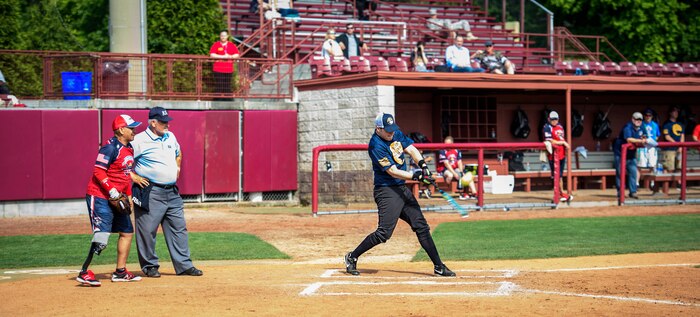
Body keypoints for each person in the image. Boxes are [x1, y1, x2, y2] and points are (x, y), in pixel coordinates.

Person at [344, 113, 456, 277]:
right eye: (387, 131)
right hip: (386, 190)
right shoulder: (375, 145)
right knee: (384, 233)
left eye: (392, 130)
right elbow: (393, 171)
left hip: (401, 189)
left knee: (421, 227)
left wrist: (423, 165)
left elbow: (411, 149)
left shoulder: (395, 133)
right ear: (378, 129)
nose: (391, 133)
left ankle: (439, 266)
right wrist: (416, 176)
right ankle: (352, 257)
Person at [131, 107, 203, 277]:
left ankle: (184, 265)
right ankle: (149, 265)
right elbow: (121, 161)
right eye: (163, 122)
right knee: (147, 230)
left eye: (167, 121)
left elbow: (179, 152)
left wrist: (177, 166)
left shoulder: (170, 136)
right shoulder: (139, 140)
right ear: (153, 122)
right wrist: (133, 177)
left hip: (171, 192)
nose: (167, 125)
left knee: (179, 228)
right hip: (150, 190)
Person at [76, 114, 143, 286]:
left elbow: (125, 174)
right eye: (131, 128)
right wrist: (112, 190)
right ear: (121, 130)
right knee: (102, 234)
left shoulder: (129, 148)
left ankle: (120, 272)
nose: (134, 130)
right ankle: (84, 272)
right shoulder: (109, 148)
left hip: (117, 197)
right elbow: (98, 172)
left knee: (127, 232)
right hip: (99, 195)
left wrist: (128, 197)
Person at [613, 112, 648, 199]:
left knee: (633, 172)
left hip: (631, 154)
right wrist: (641, 141)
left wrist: (644, 139)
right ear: (632, 119)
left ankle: (633, 192)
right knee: (620, 173)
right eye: (636, 119)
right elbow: (629, 139)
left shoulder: (642, 126)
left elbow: (645, 136)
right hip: (620, 153)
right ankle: (620, 192)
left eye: (640, 119)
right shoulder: (628, 127)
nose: (638, 121)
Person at [543, 111, 572, 202]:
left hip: (562, 154)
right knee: (557, 176)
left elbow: (561, 138)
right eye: (552, 119)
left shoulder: (560, 127)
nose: (554, 121)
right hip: (553, 155)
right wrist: (563, 143)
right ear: (549, 119)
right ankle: (560, 194)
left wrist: (565, 149)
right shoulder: (547, 127)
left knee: (560, 176)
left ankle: (561, 194)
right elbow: (550, 141)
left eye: (555, 119)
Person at [209, 31, 240, 101]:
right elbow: (212, 54)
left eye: (224, 35)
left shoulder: (231, 45)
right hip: (218, 69)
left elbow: (237, 55)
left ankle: (228, 99)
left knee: (227, 85)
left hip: (228, 69)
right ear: (220, 36)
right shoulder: (216, 44)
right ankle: (218, 99)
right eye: (221, 36)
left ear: (227, 36)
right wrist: (222, 57)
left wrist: (230, 56)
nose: (223, 37)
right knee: (219, 85)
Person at [636, 108, 660, 187]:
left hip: (652, 146)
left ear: (652, 116)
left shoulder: (655, 125)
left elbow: (657, 136)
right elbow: (638, 134)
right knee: (639, 165)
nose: (648, 116)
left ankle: (652, 183)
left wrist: (651, 141)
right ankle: (637, 183)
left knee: (652, 165)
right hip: (642, 146)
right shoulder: (641, 124)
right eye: (646, 115)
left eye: (649, 115)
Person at [661, 106, 685, 173]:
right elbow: (667, 137)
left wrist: (680, 146)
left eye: (677, 111)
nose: (676, 113)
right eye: (674, 111)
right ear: (670, 113)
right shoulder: (666, 124)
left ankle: (676, 183)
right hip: (669, 149)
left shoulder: (680, 124)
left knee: (679, 168)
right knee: (669, 168)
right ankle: (666, 182)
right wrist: (676, 144)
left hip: (679, 149)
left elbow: (682, 135)